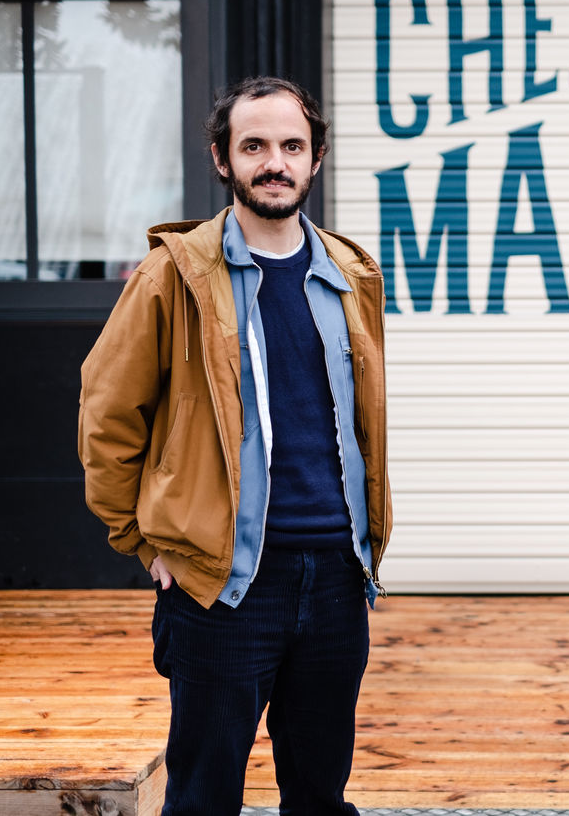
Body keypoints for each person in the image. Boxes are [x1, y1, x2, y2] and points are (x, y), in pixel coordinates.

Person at [78, 76, 392, 815]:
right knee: (203, 799)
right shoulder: (174, 273)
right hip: (223, 584)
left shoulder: (351, 274)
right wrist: (138, 540)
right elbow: (107, 412)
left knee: (319, 796)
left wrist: (364, 549)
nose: (274, 162)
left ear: (315, 158)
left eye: (292, 146)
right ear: (223, 158)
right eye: (254, 146)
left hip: (337, 578)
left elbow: (361, 420)